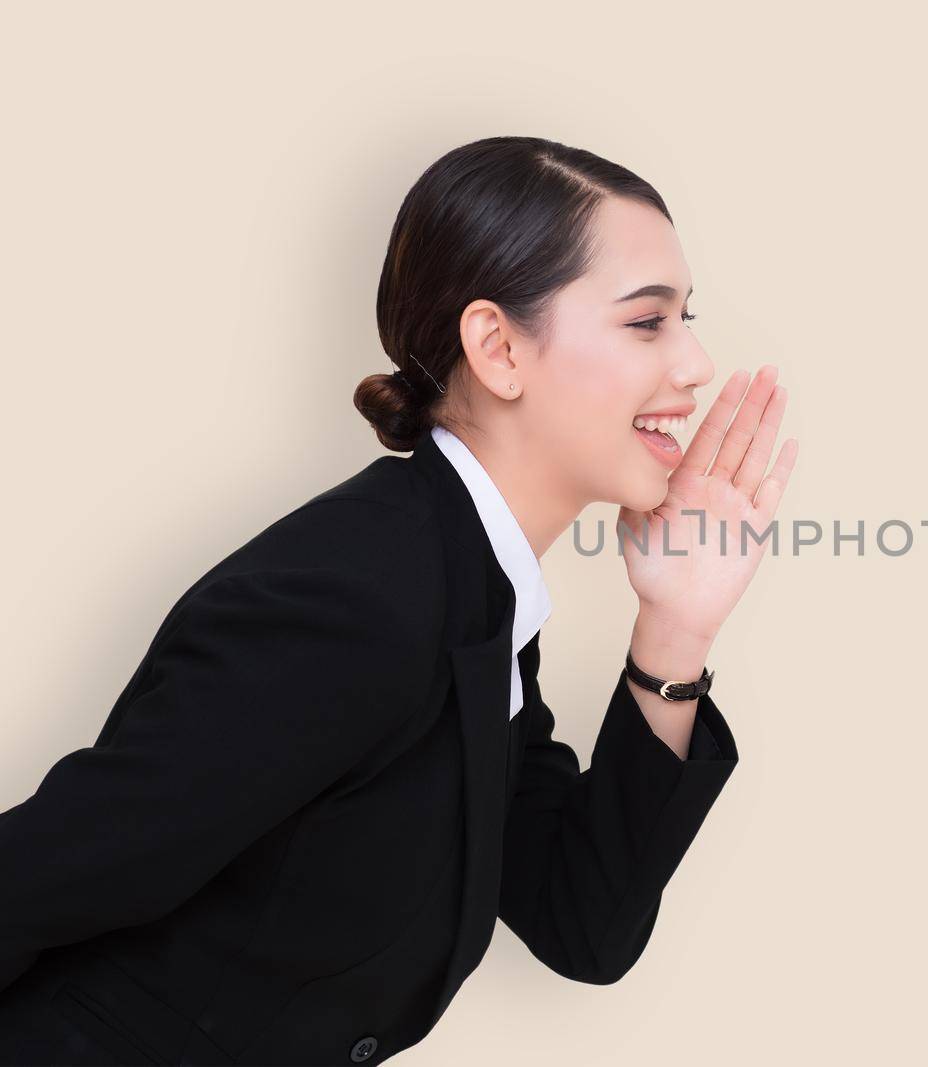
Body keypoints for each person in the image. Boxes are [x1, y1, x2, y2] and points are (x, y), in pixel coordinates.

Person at [0, 135, 796, 1065]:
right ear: (499, 348)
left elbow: (582, 921)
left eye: (685, 318)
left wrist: (675, 631)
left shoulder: (473, 587)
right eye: (647, 322)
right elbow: (42, 879)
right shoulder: (357, 597)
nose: (696, 364)